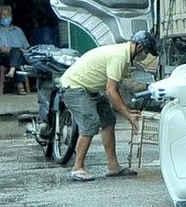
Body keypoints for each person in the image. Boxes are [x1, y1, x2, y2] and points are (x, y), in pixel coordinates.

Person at [59, 32, 157, 182]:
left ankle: (113, 166)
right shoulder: (119, 56)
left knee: (108, 120)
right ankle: (77, 168)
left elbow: (114, 88)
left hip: (89, 88)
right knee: (90, 122)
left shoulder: (124, 57)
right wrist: (128, 115)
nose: (145, 56)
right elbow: (111, 90)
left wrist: (127, 110)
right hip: (74, 87)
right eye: (146, 52)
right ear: (139, 47)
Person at [0, 5, 31, 95]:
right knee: (17, 53)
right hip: (4, 57)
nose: (5, 17)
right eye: (3, 15)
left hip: (20, 56)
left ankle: (12, 72)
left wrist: (20, 51)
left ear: (11, 16)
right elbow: (3, 49)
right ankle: (20, 85)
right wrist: (17, 50)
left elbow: (26, 47)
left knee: (18, 55)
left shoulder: (18, 30)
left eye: (7, 15)